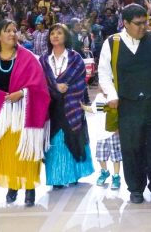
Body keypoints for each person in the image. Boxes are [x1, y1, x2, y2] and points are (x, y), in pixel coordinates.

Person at [98, 4, 151, 204]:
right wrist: (111, 95)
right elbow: (104, 73)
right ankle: (135, 189)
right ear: (125, 23)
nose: (143, 27)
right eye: (138, 24)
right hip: (127, 105)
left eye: (145, 22)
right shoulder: (112, 43)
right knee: (131, 148)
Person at [0, 19, 50, 207]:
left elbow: (40, 87)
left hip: (24, 112)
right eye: (7, 30)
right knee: (7, 152)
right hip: (1, 115)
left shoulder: (27, 58)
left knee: (26, 151)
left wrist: (22, 93)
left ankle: (29, 188)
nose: (12, 34)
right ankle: (13, 184)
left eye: (14, 30)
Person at [39, 23, 94, 189]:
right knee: (54, 140)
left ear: (66, 36)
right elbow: (39, 83)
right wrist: (55, 87)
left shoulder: (75, 57)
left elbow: (80, 82)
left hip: (71, 105)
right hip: (51, 107)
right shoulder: (43, 59)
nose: (55, 36)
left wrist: (65, 88)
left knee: (71, 137)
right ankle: (56, 178)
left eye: (59, 33)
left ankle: (73, 174)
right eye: (52, 33)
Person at [83, 92, 122, 190]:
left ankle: (116, 176)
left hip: (113, 133)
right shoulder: (99, 97)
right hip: (101, 134)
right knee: (100, 156)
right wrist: (82, 106)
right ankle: (104, 172)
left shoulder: (116, 96)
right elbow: (93, 109)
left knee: (115, 156)